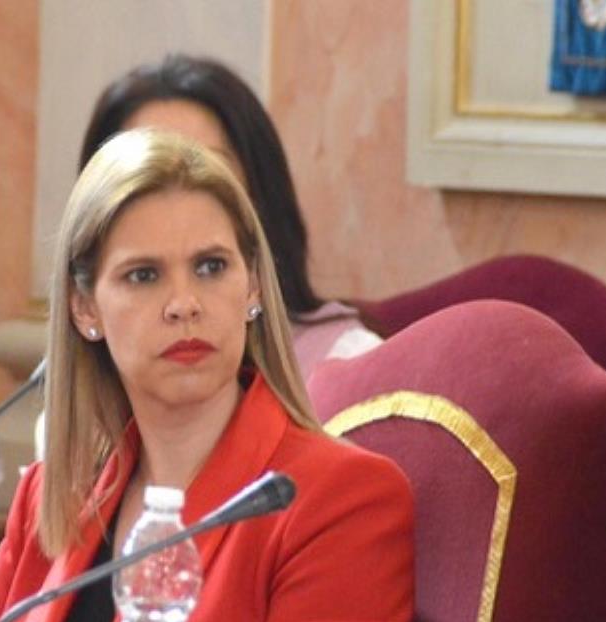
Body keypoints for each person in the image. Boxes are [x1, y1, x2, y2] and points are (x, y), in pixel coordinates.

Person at [0, 130, 414, 622]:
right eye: (144, 275)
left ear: (253, 285)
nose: (184, 304)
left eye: (211, 267)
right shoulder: (55, 496)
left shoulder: (339, 502)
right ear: (85, 308)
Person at [79, 54, 384, 379]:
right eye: (146, 176)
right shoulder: (73, 389)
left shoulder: (349, 363)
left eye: (206, 170)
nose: (177, 192)